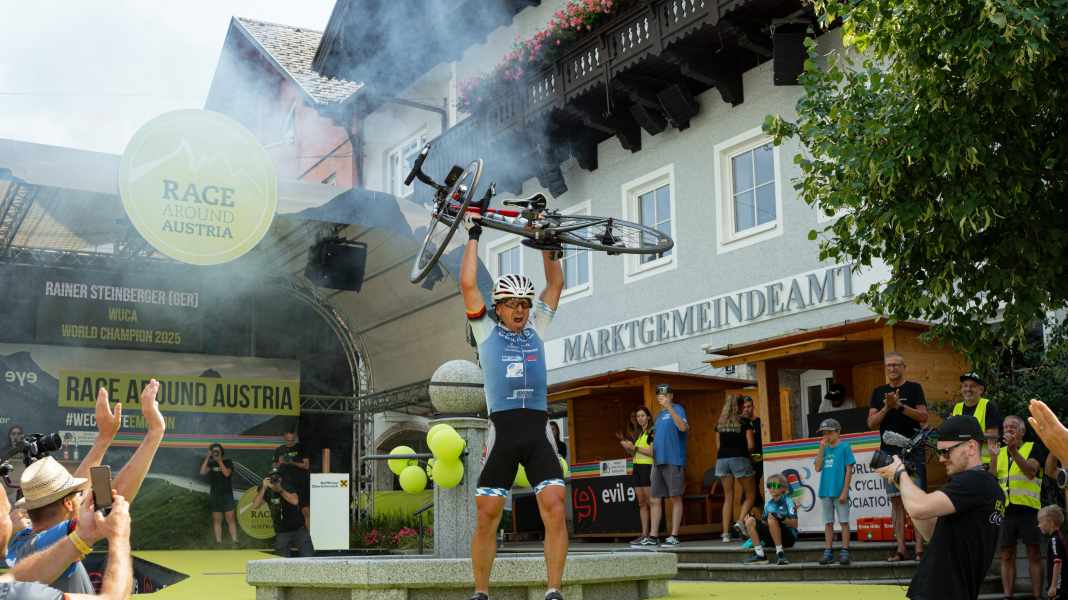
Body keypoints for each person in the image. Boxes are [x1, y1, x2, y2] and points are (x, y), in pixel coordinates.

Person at [459, 210, 566, 600]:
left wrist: (547, 243)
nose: (520, 310)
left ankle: (553, 590)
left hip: (537, 430)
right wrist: (473, 234)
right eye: (511, 304)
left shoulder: (538, 327)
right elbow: (467, 283)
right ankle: (481, 592)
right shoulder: (485, 330)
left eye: (524, 303)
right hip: (502, 432)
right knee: (487, 515)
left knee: (555, 506)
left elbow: (555, 283)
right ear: (498, 307)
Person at [8, 380, 164, 593]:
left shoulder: (21, 541)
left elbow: (81, 498)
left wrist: (104, 439)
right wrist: (155, 432)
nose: (82, 496)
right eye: (76, 495)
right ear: (68, 503)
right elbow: (110, 506)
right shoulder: (54, 540)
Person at [874, 415, 1005, 600]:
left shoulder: (975, 481)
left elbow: (919, 508)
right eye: (939, 453)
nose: (942, 459)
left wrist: (901, 473)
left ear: (971, 447)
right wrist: (902, 483)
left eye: (946, 452)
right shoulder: (983, 486)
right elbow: (931, 532)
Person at [0, 481, 135, 600]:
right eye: (7, 514)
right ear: (68, 503)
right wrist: (119, 536)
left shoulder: (21, 539)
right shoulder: (18, 595)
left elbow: (14, 578)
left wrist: (83, 536)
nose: (12, 521)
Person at [867, 351, 929, 562]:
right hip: (888, 454)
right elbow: (871, 423)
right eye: (889, 365)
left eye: (896, 365)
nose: (892, 368)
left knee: (916, 500)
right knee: (896, 502)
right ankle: (901, 549)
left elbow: (923, 417)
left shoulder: (914, 388)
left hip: (913, 451)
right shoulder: (879, 392)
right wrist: (887, 406)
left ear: (904, 367)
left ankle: (919, 550)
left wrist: (900, 406)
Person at [992, 415, 1046, 600]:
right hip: (1005, 510)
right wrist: (993, 457)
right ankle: (1008, 596)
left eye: (1013, 426)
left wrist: (1014, 451)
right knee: (1006, 554)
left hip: (1028, 509)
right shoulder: (999, 452)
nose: (1008, 429)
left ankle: (1037, 596)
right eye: (1005, 426)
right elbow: (992, 478)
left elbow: (1031, 472)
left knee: (1034, 553)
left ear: (1022, 431)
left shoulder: (1033, 448)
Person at [648, 383, 689, 548]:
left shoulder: (678, 409)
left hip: (673, 459)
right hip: (658, 461)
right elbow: (654, 439)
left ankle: (674, 535)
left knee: (675, 497)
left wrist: (670, 408)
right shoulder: (658, 416)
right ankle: (653, 536)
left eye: (664, 395)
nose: (661, 398)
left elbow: (683, 427)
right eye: (659, 396)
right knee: (655, 498)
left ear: (671, 396)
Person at [814, 418, 855, 566]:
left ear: (838, 432)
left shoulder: (845, 447)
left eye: (829, 433)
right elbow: (817, 468)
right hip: (825, 491)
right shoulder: (824, 448)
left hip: (839, 491)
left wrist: (844, 491)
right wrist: (821, 448)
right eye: (824, 433)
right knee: (828, 523)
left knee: (844, 522)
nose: (826, 436)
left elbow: (849, 470)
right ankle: (828, 551)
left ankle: (845, 551)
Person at [715, 395, 754, 543]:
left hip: (722, 460)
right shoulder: (744, 422)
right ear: (740, 406)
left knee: (728, 496)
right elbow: (750, 445)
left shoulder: (720, 423)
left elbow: (718, 446)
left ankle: (725, 534)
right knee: (750, 494)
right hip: (739, 458)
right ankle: (740, 521)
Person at [251, 468, 312, 557]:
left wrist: (280, 490)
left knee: (308, 557)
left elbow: (295, 501)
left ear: (281, 478)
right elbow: (255, 506)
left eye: (277, 477)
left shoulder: (287, 486)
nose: (275, 480)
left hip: (298, 529)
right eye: (272, 478)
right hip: (282, 531)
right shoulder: (266, 489)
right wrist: (264, 488)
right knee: (282, 560)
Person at [741, 473, 798, 565]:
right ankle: (760, 555)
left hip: (788, 537)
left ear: (783, 488)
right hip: (772, 536)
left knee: (772, 517)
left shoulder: (789, 501)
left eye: (775, 485)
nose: (771, 488)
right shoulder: (768, 504)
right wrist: (753, 522)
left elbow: (794, 525)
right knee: (750, 520)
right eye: (769, 486)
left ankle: (780, 554)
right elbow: (765, 523)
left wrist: (780, 517)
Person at [619, 406, 654, 547]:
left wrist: (635, 448)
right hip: (637, 467)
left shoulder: (652, 431)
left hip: (647, 467)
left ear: (648, 417)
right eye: (638, 416)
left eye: (642, 416)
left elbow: (652, 452)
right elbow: (635, 453)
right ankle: (644, 534)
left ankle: (653, 535)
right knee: (641, 503)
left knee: (651, 502)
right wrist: (628, 448)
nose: (640, 418)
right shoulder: (639, 434)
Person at [951, 372, 1002, 467]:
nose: (968, 389)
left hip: (983, 463)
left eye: (972, 386)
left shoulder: (988, 406)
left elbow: (993, 436)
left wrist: (968, 434)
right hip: (962, 462)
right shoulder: (957, 407)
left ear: (981, 390)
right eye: (965, 386)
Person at [201, 443, 238, 545]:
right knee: (217, 520)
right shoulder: (211, 463)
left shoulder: (228, 462)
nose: (216, 452)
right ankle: (218, 542)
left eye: (217, 450)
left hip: (227, 495)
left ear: (221, 451)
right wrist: (208, 457)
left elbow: (227, 473)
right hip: (215, 495)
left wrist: (219, 461)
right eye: (214, 451)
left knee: (230, 519)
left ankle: (235, 541)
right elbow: (202, 472)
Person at [273, 429, 310, 529]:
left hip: (301, 484)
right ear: (284, 437)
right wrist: (279, 463)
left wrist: (291, 462)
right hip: (286, 486)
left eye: (292, 440)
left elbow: (306, 466)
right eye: (288, 440)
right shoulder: (279, 450)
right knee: (288, 513)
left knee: (306, 511)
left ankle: (308, 536)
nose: (290, 442)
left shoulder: (301, 448)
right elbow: (274, 468)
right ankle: (290, 535)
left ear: (295, 437)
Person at [1039, 504, 1065, 600]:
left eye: (1040, 522)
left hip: (1059, 589)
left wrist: (1054, 586)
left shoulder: (1054, 540)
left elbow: (1058, 563)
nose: (1039, 525)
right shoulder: (1060, 537)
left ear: (1051, 522)